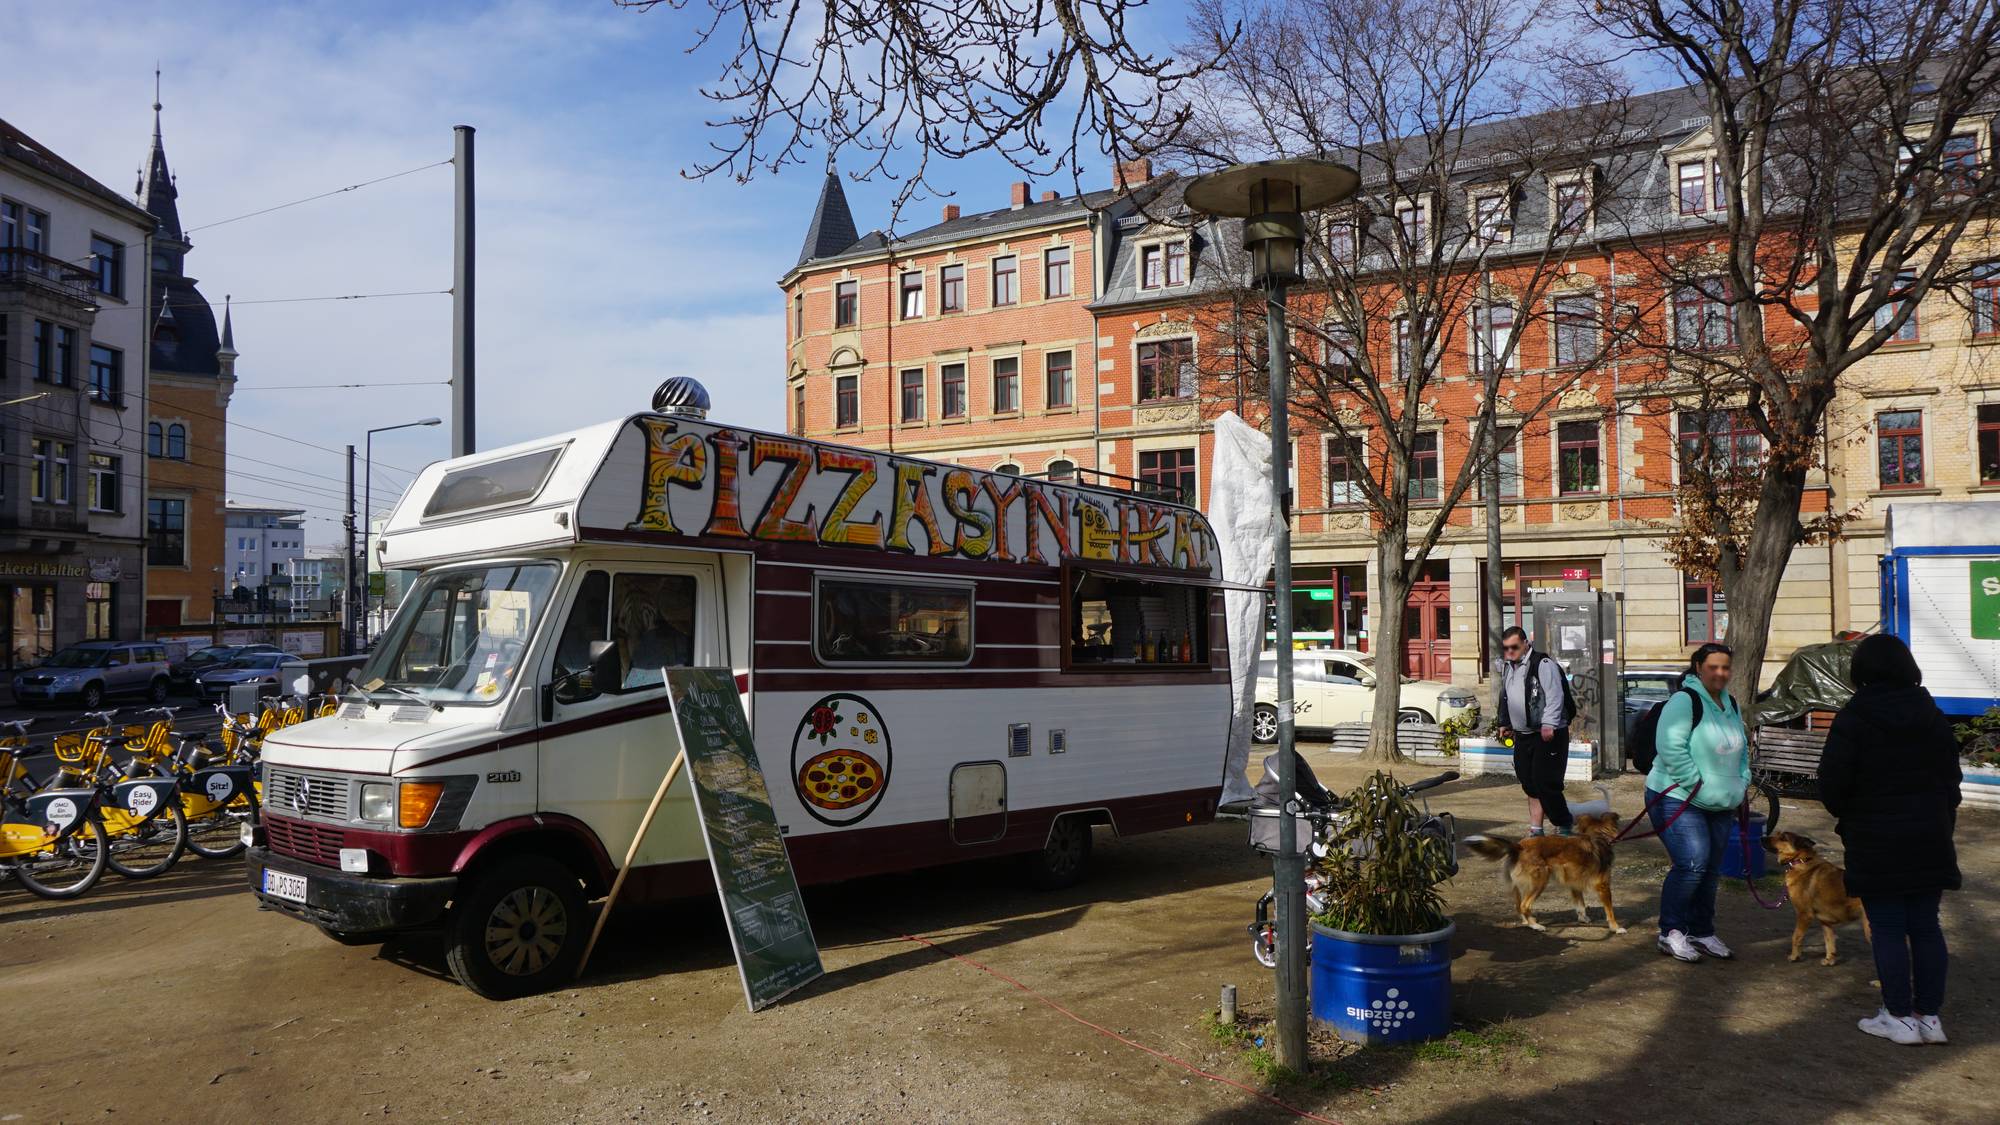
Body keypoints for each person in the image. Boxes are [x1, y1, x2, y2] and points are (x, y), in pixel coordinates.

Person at [1818, 633, 1961, 1046]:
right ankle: (1929, 1017)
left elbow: (1832, 784)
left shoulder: (1854, 717)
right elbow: (1951, 779)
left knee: (1887, 927)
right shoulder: (1932, 716)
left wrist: (1853, 814)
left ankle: (1898, 1016)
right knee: (1926, 926)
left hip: (1875, 836)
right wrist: (1940, 816)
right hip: (1930, 834)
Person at [1644, 642, 1750, 963]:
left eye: (1725, 667)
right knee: (1692, 864)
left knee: (1711, 870)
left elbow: (1741, 748)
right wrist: (1696, 783)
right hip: (1677, 796)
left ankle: (1702, 931)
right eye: (1713, 667)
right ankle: (1671, 932)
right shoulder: (1684, 700)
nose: (1720, 673)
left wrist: (1742, 782)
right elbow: (1671, 747)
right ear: (1698, 667)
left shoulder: (1730, 702)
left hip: (1721, 801)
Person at [1493, 626, 1572, 836]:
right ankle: (1536, 829)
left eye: (1514, 647)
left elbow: (1555, 696)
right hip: (1523, 735)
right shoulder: (1509, 667)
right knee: (1528, 782)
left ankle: (1563, 825)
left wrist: (1549, 724)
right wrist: (1505, 722)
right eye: (1506, 648)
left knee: (1545, 782)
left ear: (1526, 643)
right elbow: (1507, 696)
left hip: (1547, 734)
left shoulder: (1543, 664)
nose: (1510, 652)